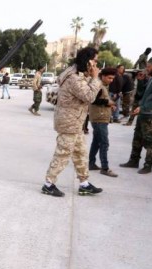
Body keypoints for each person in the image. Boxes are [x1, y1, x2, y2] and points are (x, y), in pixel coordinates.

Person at [41, 46, 102, 197]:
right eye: (95, 61)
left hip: (75, 122)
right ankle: (48, 184)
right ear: (88, 61)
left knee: (81, 153)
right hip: (69, 123)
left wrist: (91, 76)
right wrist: (95, 78)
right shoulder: (73, 78)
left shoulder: (77, 74)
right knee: (62, 154)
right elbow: (89, 96)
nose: (96, 65)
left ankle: (84, 183)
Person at [120, 56, 152, 174]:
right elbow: (145, 95)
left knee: (149, 141)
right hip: (143, 114)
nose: (146, 68)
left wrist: (143, 108)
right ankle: (134, 160)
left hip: (151, 116)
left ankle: (148, 165)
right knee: (137, 139)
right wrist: (141, 81)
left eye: (148, 66)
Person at [88, 67, 118, 177]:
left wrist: (110, 105)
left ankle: (91, 163)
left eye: (112, 78)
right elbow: (93, 99)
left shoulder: (104, 86)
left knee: (96, 142)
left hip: (101, 118)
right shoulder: (98, 85)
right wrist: (108, 102)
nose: (111, 80)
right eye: (109, 78)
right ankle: (105, 168)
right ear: (103, 76)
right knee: (104, 143)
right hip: (98, 119)